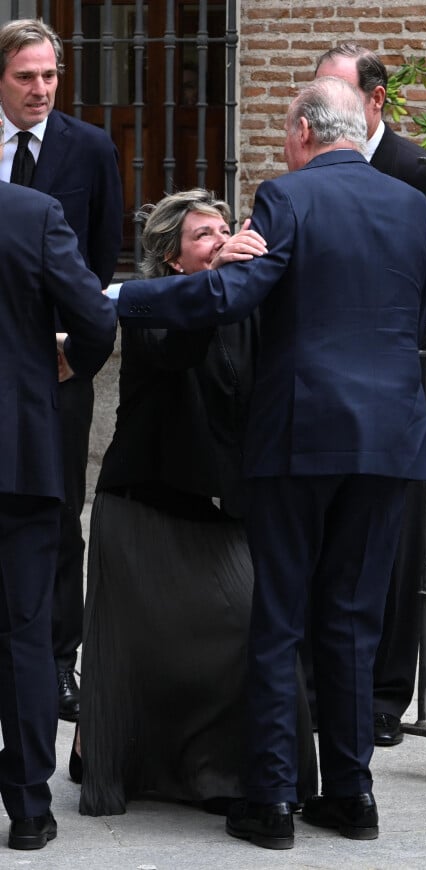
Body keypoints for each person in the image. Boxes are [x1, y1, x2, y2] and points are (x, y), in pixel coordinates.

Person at [110, 76, 426, 850]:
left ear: (301, 133)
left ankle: (273, 801)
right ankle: (353, 796)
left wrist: (126, 296)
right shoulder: (410, 204)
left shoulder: (287, 198)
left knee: (281, 616)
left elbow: (232, 296)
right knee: (354, 619)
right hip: (391, 437)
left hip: (302, 434)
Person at [74, 189, 318, 818]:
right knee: (154, 652)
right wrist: (216, 281)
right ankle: (152, 762)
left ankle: (232, 771)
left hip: (220, 507)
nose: (220, 242)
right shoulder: (154, 308)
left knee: (253, 635)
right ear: (172, 259)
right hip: (148, 503)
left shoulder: (245, 306)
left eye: (223, 230)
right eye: (203, 236)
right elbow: (174, 351)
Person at [315, 43, 426, 747]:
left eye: (337, 94)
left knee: (395, 550)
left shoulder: (416, 173)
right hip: (326, 391)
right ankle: (324, 686)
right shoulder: (312, 168)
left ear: (374, 102)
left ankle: (383, 694)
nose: (322, 109)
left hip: (397, 389)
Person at [0, 18, 124, 723]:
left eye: (50, 76)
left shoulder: (90, 147)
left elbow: (102, 259)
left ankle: (56, 659)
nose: (41, 90)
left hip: (60, 371)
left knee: (56, 509)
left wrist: (76, 351)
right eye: (26, 77)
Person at [0, 108, 116, 851]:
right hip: (21, 453)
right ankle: (30, 808)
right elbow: (96, 315)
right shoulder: (33, 215)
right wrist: (66, 361)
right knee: (24, 632)